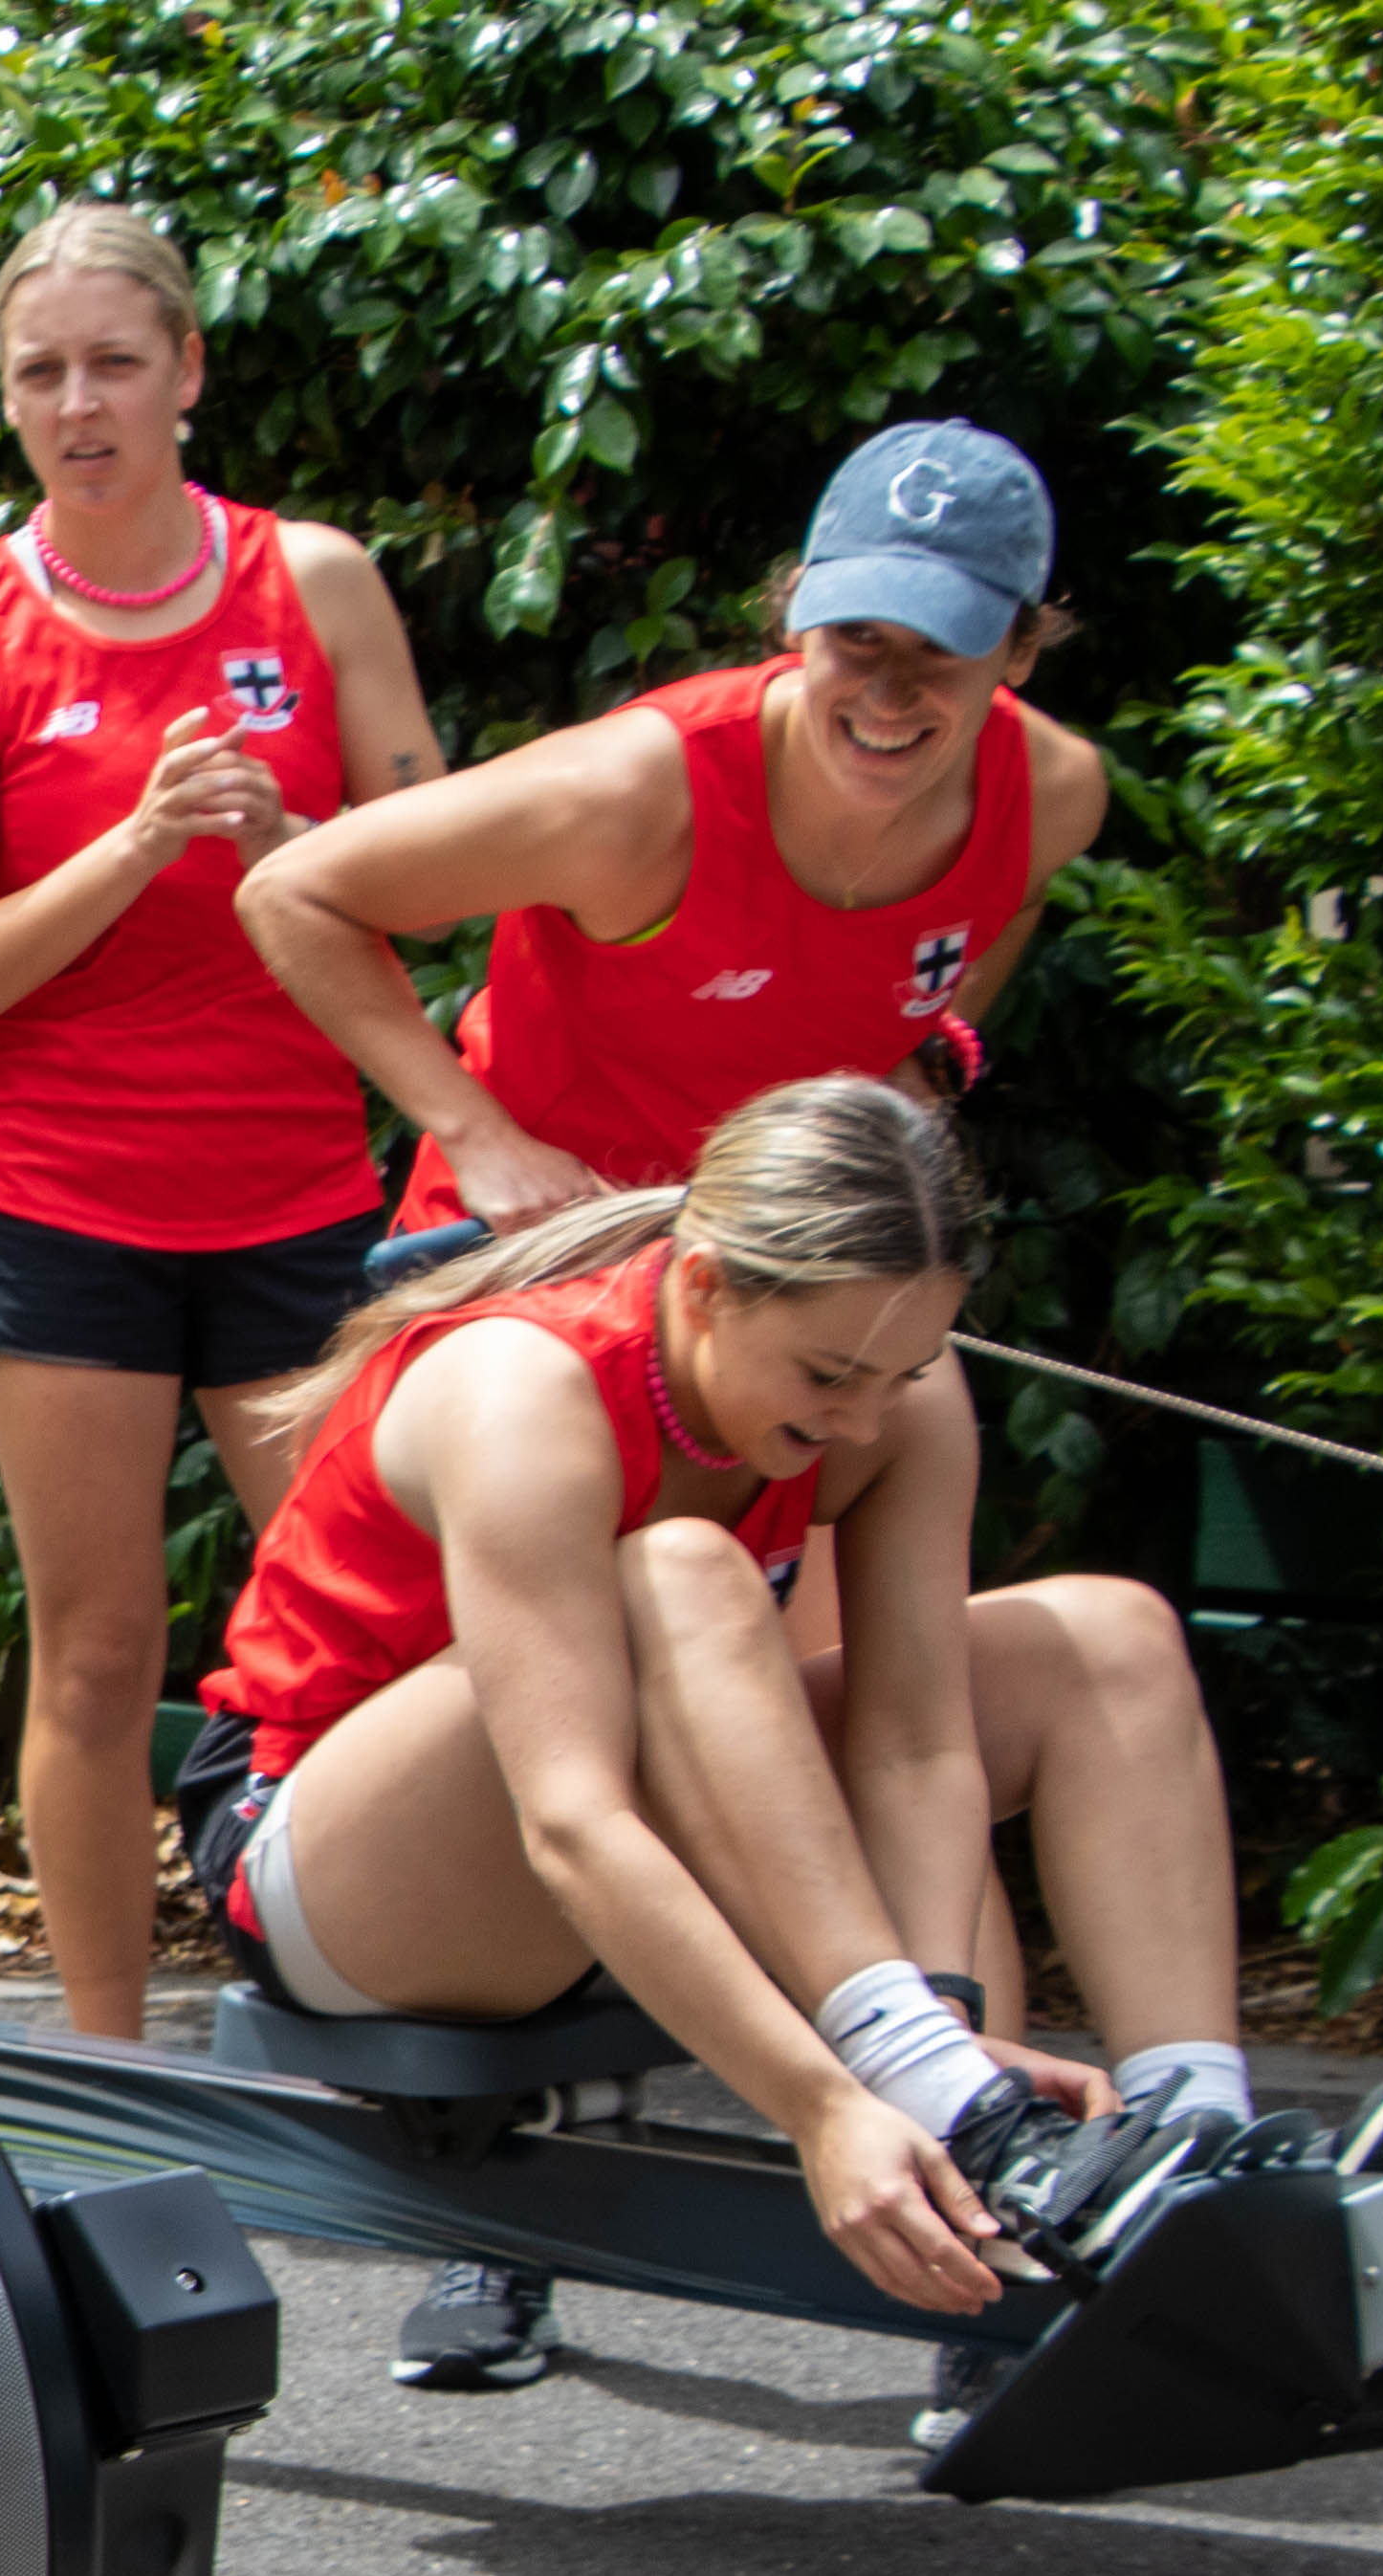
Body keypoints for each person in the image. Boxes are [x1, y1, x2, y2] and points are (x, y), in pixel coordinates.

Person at [233, 415, 1106, 2389]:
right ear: (794, 606)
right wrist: (471, 1122)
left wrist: (898, 1178)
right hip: (557, 1293)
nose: (885, 693)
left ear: (1019, 655)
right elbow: (296, 889)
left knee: (858, 1699)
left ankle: (983, 2160)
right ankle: (503, 2203)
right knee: (604, 1696)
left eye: (936, 658)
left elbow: (943, 997)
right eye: (852, 640)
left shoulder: (1043, 797)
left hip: (783, 1306)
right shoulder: (642, 788)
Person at [177, 1076, 1284, 2420]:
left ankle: (1193, 2138)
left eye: (905, 1371)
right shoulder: (521, 1388)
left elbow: (918, 1741)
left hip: (636, 1822)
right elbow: (572, 1818)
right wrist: (828, 2110)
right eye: (829, 1377)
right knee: (682, 1575)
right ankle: (952, 2107)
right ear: (701, 1287)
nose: (866, 1421)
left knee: (1106, 1639)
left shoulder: (893, 1405)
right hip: (341, 1861)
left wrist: (946, 2014)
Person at [0, 204, 448, 2043]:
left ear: (188, 373)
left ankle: (395, 2022)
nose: (78, 402)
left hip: (296, 1201)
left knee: (373, 1636)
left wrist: (287, 841)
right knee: (103, 1650)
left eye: (115, 362)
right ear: (8, 402)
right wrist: (134, 842)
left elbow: (433, 890)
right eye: (40, 373)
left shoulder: (320, 585)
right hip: (66, 1210)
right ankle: (109, 2062)